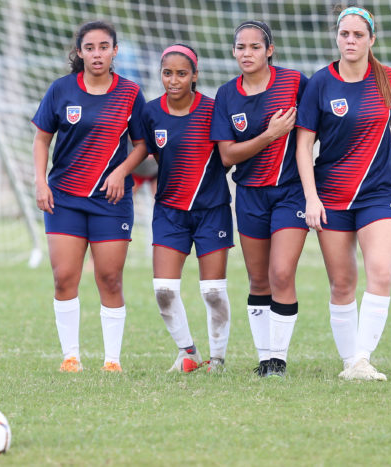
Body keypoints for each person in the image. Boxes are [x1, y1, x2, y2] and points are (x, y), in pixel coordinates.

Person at [296, 6, 391, 381]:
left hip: (378, 192)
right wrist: (311, 197)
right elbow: (304, 147)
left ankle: (362, 359)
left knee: (381, 273)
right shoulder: (320, 83)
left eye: (357, 35)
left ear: (372, 39)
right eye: (344, 35)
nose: (350, 41)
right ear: (337, 37)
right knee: (341, 283)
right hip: (331, 195)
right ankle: (349, 362)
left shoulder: (387, 78)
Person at [32, 21, 147, 373]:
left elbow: (143, 145)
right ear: (79, 52)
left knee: (109, 278)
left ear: (115, 51)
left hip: (110, 202)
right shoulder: (61, 90)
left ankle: (112, 361)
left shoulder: (130, 93)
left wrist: (121, 171)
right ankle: (71, 357)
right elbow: (41, 139)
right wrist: (40, 181)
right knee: (64, 276)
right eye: (90, 47)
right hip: (64, 197)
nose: (97, 54)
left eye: (103, 47)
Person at [211, 21, 309, 377]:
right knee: (258, 280)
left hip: (291, 193)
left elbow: (316, 129)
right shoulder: (226, 95)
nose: (246, 53)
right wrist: (270, 135)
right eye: (240, 47)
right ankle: (265, 358)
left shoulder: (295, 83)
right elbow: (226, 156)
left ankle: (278, 362)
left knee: (281, 273)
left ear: (270, 50)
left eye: (255, 47)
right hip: (250, 195)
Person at [142, 44, 233, 373]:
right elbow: (149, 154)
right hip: (169, 213)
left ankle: (218, 359)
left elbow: (227, 156)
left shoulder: (214, 110)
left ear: (195, 75)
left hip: (212, 211)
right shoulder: (150, 112)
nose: (174, 80)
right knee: (163, 290)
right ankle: (188, 352)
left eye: (182, 73)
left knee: (212, 291)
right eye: (168, 73)